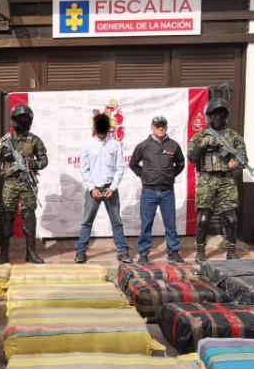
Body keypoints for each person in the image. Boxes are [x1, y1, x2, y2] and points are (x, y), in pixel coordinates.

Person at [0, 104, 49, 264]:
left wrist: (33, 164)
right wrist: (3, 154)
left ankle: (31, 253)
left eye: (25, 119)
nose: (22, 122)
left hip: (27, 184)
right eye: (20, 118)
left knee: (29, 218)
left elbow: (44, 160)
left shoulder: (34, 140)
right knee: (7, 218)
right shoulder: (5, 140)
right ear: (14, 120)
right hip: (10, 184)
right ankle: (3, 253)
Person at [187, 97, 246, 261]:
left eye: (220, 114)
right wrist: (204, 145)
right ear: (208, 116)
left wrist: (235, 164)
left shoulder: (234, 137)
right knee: (204, 218)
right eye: (213, 115)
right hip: (207, 180)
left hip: (226, 181)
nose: (216, 118)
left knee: (231, 219)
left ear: (225, 116)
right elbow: (191, 157)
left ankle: (231, 251)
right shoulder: (200, 136)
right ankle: (200, 252)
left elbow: (243, 160)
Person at [74, 113, 133, 264]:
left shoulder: (115, 145)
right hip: (93, 189)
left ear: (108, 128)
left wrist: (113, 188)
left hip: (110, 189)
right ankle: (80, 252)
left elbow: (120, 168)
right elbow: (84, 169)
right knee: (87, 222)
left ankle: (122, 251)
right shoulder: (88, 145)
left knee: (117, 222)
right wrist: (91, 188)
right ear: (94, 127)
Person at [128, 115, 186, 264]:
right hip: (149, 192)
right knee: (146, 224)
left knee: (170, 224)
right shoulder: (143, 146)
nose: (160, 128)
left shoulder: (173, 145)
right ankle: (143, 254)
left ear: (166, 127)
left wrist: (170, 175)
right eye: (157, 126)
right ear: (152, 127)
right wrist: (144, 175)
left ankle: (173, 252)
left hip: (167, 192)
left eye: (163, 126)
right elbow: (133, 164)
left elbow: (180, 163)